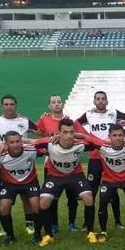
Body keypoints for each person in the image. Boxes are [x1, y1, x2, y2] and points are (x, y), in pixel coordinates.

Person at [35, 119, 98, 246]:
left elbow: (99, 143)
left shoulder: (79, 144)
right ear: (59, 132)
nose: (69, 135)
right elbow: (31, 142)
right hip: (55, 177)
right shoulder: (50, 143)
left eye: (71, 132)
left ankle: (90, 232)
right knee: (43, 202)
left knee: (88, 197)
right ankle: (48, 235)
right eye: (65, 132)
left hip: (75, 175)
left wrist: (84, 136)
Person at [75, 91, 125, 230]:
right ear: (94, 101)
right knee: (92, 190)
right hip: (95, 156)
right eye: (97, 99)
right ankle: (88, 223)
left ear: (107, 101)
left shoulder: (113, 112)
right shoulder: (88, 114)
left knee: (113, 190)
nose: (100, 101)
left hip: (111, 156)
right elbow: (76, 124)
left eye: (103, 99)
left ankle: (118, 221)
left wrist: (123, 125)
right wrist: (88, 136)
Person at [83, 123, 125, 242]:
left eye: (120, 135)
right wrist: (74, 135)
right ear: (109, 137)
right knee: (103, 203)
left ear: (124, 136)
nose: (117, 138)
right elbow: (86, 137)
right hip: (109, 180)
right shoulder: (102, 145)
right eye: (114, 135)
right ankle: (103, 231)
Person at [0, 95, 38, 235]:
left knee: (27, 198)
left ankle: (30, 223)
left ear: (16, 105)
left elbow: (41, 131)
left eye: (11, 104)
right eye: (6, 104)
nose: (9, 107)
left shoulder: (25, 120)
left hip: (24, 162)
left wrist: (46, 116)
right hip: (5, 164)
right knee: (5, 201)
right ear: (1, 106)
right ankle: (5, 228)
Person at [35, 95, 75, 234]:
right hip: (50, 164)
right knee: (52, 197)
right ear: (49, 106)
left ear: (63, 105)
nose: (56, 104)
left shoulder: (68, 121)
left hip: (70, 164)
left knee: (72, 196)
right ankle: (54, 224)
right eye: (53, 102)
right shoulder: (44, 119)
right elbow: (37, 133)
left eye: (59, 102)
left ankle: (72, 223)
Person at [0, 131, 42, 245]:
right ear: (6, 143)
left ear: (22, 141)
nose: (15, 144)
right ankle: (10, 236)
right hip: (8, 184)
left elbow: (48, 148)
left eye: (18, 141)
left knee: (36, 204)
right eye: (11, 142)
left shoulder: (31, 150)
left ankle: (37, 234)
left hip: (30, 182)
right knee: (3, 207)